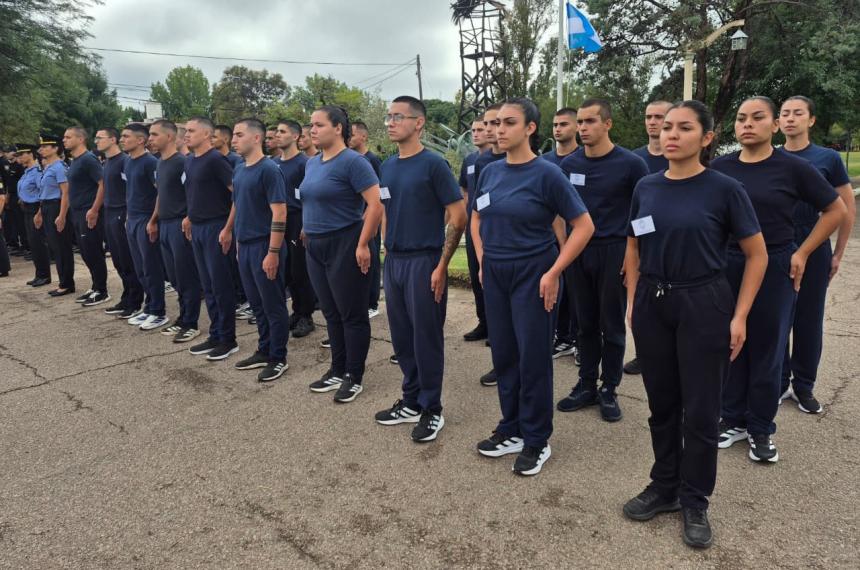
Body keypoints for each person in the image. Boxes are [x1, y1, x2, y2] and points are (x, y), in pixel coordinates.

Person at [621, 100, 768, 549]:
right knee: (662, 405)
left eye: (684, 128)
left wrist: (739, 316)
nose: (671, 134)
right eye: (667, 127)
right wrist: (633, 303)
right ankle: (664, 486)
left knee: (702, 410)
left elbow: (757, 254)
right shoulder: (646, 186)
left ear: (706, 138)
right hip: (653, 301)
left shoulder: (723, 189)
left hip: (704, 301)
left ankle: (695, 498)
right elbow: (632, 245)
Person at [712, 96, 845, 463]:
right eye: (741, 118)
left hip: (775, 263)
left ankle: (760, 427)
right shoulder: (721, 167)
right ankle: (733, 418)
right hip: (728, 263)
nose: (747, 124)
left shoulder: (791, 167)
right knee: (732, 342)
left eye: (757, 118)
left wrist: (802, 253)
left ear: (773, 126)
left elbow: (836, 209)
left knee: (768, 348)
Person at [471, 97, 594, 476]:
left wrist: (554, 271)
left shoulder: (547, 174)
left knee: (533, 357)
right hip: (497, 272)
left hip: (533, 273)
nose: (498, 130)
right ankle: (511, 427)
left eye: (508, 123)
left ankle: (537, 439)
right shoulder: (490, 172)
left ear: (529, 129)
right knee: (505, 354)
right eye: (495, 123)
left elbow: (584, 226)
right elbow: (477, 217)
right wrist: (482, 259)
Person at [373, 95, 467, 443]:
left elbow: (458, 217)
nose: (390, 122)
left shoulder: (434, 165)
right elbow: (385, 209)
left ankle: (432, 409)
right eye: (388, 116)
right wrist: (385, 246)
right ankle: (411, 400)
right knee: (401, 337)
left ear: (419, 123)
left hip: (424, 262)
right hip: (394, 261)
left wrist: (441, 264)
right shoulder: (387, 166)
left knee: (426, 337)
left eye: (399, 116)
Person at [557, 99, 649, 422]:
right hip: (579, 252)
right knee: (584, 324)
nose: (582, 128)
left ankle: (609, 388)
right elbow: (559, 211)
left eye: (590, 121)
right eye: (579, 122)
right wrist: (564, 246)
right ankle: (586, 385)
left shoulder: (631, 164)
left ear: (607, 124)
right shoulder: (569, 165)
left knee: (611, 324)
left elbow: (641, 213)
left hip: (614, 250)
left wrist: (631, 252)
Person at [778, 96, 856, 414]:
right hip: (777, 250)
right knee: (776, 319)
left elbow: (845, 209)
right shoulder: (771, 157)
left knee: (808, 321)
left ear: (810, 120)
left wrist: (837, 253)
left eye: (798, 113)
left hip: (815, 248)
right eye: (785, 113)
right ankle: (779, 381)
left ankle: (804, 385)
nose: (790, 119)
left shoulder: (827, 159)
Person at [301, 105, 383, 403]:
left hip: (345, 242)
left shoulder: (353, 162)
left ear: (338, 128)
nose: (312, 130)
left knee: (352, 313)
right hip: (316, 245)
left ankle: (354, 374)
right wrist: (307, 228)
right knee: (330, 311)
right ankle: (336, 368)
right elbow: (311, 200)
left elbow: (375, 205)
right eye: (311, 125)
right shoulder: (313, 163)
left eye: (319, 125)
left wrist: (363, 244)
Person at [228, 118, 291, 382]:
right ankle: (264, 349)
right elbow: (238, 205)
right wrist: (234, 237)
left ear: (256, 138)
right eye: (233, 134)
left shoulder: (269, 170)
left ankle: (278, 357)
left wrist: (273, 252)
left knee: (273, 304)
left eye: (239, 134)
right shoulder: (240, 169)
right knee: (256, 304)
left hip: (266, 245)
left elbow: (280, 211)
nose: (233, 139)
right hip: (246, 245)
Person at [182, 116, 238, 361]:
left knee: (221, 285)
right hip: (198, 227)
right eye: (186, 131)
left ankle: (228, 339)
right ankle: (215, 333)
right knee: (208, 285)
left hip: (217, 226)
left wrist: (228, 228)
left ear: (207, 134)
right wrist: (189, 216)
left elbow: (237, 194)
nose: (186, 134)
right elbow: (194, 192)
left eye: (192, 131)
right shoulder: (190, 161)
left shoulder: (216, 160)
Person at [624, 100, 673, 375]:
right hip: (640, 240)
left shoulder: (677, 154)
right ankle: (644, 355)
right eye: (648, 116)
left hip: (672, 240)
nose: (652, 122)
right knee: (641, 304)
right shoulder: (634, 159)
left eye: (659, 117)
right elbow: (628, 205)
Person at [148, 120, 203, 343]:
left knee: (186, 275)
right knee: (173, 276)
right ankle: (182, 318)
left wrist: (189, 217)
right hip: (165, 224)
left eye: (154, 134)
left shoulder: (183, 162)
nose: (150, 139)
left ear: (169, 137)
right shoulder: (160, 163)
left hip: (181, 225)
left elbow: (194, 193)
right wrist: (154, 220)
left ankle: (191, 323)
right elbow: (162, 193)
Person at [120, 124, 169, 331]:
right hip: (132, 219)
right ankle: (148, 307)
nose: (122, 139)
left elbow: (160, 192)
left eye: (126, 136)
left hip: (146, 219)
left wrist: (153, 220)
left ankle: (158, 311)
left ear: (140, 140)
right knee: (140, 267)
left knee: (151, 267)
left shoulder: (150, 162)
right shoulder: (129, 162)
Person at [543, 107, 580, 362]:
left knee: (581, 295)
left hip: (581, 239)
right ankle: (564, 338)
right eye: (555, 124)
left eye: (564, 124)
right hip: (553, 240)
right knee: (560, 294)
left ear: (576, 127)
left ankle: (582, 341)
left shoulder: (582, 158)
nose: (558, 129)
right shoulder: (545, 161)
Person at [96, 128, 144, 318]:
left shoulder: (124, 161)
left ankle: (135, 300)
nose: (97, 141)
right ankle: (127, 296)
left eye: (100, 138)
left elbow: (130, 189)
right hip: (109, 212)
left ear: (112, 139)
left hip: (122, 212)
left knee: (127, 258)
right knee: (117, 260)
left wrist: (127, 214)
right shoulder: (108, 162)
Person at [274, 119, 315, 338]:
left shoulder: (305, 163)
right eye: (276, 131)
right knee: (287, 270)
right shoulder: (273, 162)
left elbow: (310, 196)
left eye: (282, 131)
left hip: (298, 218)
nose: (277, 135)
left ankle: (306, 316)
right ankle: (296, 311)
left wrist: (306, 223)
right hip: (279, 221)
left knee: (300, 270)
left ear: (296, 136)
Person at [63, 126, 110, 306]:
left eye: (68, 137)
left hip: (88, 211)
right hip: (77, 212)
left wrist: (94, 209)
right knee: (85, 252)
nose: (64, 140)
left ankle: (102, 291)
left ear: (81, 139)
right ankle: (95, 285)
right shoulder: (75, 161)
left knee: (93, 251)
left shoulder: (88, 159)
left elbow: (102, 184)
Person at [459, 116, 490, 344]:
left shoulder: (496, 160)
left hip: (493, 228)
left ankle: (498, 325)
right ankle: (484, 322)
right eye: (473, 130)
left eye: (480, 129)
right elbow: (465, 191)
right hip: (473, 226)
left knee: (491, 276)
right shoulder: (469, 160)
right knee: (475, 273)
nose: (476, 134)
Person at [349, 120, 383, 318]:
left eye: (353, 135)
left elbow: (379, 195)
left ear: (363, 136)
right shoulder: (349, 160)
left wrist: (374, 219)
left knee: (372, 261)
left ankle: (372, 303)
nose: (350, 139)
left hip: (369, 219)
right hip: (354, 222)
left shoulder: (373, 160)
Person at [35, 134, 76, 297]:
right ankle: (63, 281)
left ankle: (67, 284)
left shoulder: (59, 167)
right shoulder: (48, 167)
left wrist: (62, 215)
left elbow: (65, 192)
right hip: (46, 207)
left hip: (56, 207)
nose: (41, 149)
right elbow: (44, 193)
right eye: (41, 147)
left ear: (55, 149)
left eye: (45, 146)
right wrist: (39, 212)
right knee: (55, 246)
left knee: (62, 247)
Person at [14, 144, 51, 287]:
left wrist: (40, 212)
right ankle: (39, 274)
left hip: (36, 208)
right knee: (32, 243)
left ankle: (44, 275)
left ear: (30, 154)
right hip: (26, 208)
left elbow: (42, 192)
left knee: (38, 242)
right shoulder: (27, 171)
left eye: (22, 154)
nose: (19, 157)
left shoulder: (37, 171)